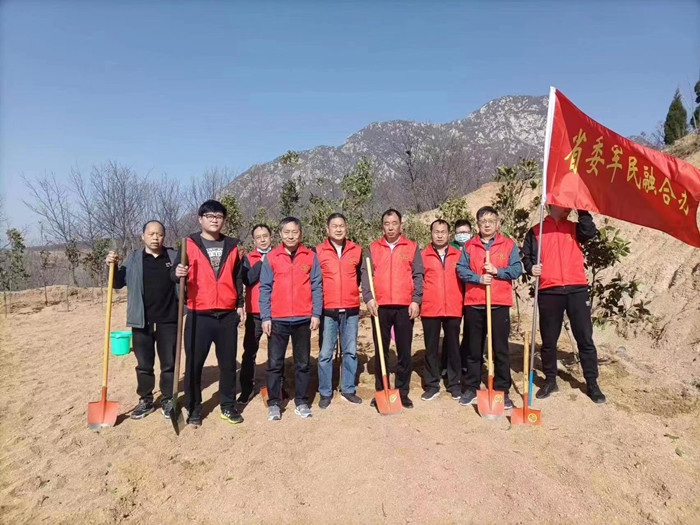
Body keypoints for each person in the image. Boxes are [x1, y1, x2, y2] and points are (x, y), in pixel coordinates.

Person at [521, 205, 606, 404]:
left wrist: (582, 210)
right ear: (551, 204)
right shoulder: (536, 231)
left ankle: (592, 383)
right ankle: (550, 380)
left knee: (584, 338)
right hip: (549, 290)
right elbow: (527, 258)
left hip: (577, 289)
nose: (567, 207)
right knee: (549, 340)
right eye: (563, 203)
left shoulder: (575, 228)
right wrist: (531, 268)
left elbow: (589, 232)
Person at [172, 200, 245, 427]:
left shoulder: (233, 246)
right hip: (198, 314)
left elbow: (237, 277)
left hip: (226, 314)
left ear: (224, 220)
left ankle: (228, 406)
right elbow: (174, 274)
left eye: (219, 216)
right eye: (210, 216)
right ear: (200, 219)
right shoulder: (188, 244)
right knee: (194, 365)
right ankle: (194, 408)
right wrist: (177, 272)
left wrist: (240, 304)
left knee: (228, 365)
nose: (215, 220)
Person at [106, 220, 178, 419]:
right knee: (144, 364)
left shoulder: (173, 256)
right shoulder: (134, 258)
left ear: (164, 236)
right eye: (151, 234)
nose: (155, 238)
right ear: (143, 236)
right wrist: (112, 266)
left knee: (169, 363)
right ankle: (145, 399)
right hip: (141, 320)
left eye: (159, 234)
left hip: (169, 319)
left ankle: (168, 399)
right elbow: (117, 283)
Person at [457, 206, 521, 410]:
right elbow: (460, 269)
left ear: (498, 223)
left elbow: (517, 269)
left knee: (500, 349)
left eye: (491, 221)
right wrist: (478, 278)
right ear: (477, 224)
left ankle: (502, 390)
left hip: (499, 303)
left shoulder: (508, 244)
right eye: (483, 221)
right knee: (473, 349)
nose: (487, 224)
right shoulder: (469, 246)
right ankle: (471, 387)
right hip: (475, 303)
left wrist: (497, 271)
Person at [259, 217, 322, 421]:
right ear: (280, 234)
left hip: (303, 318)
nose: (291, 236)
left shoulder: (310, 256)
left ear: (300, 233)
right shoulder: (272, 257)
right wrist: (265, 316)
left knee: (302, 363)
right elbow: (265, 288)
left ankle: (301, 402)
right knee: (275, 363)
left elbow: (316, 286)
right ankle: (274, 403)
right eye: (286, 232)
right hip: (277, 319)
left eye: (294, 232)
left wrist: (316, 313)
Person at [361, 209, 424, 409]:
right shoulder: (373, 248)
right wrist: (369, 298)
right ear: (382, 226)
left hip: (405, 306)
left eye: (394, 223)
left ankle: (402, 393)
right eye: (387, 223)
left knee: (404, 351)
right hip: (379, 307)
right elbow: (365, 274)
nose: (390, 227)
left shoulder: (411, 246)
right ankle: (381, 391)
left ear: (400, 225)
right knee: (381, 350)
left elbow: (418, 275)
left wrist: (416, 300)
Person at [315, 213, 363, 409]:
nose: (338, 229)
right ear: (327, 229)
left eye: (341, 225)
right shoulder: (318, 251)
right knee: (326, 353)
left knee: (350, 351)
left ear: (346, 227)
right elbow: (316, 281)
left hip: (351, 308)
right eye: (334, 226)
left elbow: (358, 277)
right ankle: (325, 392)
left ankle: (348, 389)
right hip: (328, 309)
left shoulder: (356, 250)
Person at [420, 219, 464, 401]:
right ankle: (432, 385)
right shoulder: (422, 255)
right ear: (431, 234)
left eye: (443, 232)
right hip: (430, 307)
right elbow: (417, 280)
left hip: (453, 307)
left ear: (449, 234)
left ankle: (454, 384)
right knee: (430, 348)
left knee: (453, 347)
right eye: (436, 232)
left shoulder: (459, 255)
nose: (439, 235)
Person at [237, 223, 273, 404]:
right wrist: (262, 262)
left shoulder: (279, 255)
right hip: (255, 312)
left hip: (275, 311)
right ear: (254, 240)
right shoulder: (248, 258)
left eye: (265, 236)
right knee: (249, 352)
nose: (262, 240)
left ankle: (276, 387)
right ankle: (246, 388)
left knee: (275, 353)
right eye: (258, 237)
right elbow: (248, 279)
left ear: (271, 237)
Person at [447, 218, 473, 378]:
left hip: (471, 294)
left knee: (470, 331)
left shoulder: (474, 247)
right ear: (455, 234)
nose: (463, 235)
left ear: (471, 233)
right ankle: (448, 364)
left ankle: (465, 362)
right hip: (454, 294)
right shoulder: (450, 248)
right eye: (460, 232)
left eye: (466, 232)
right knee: (452, 331)